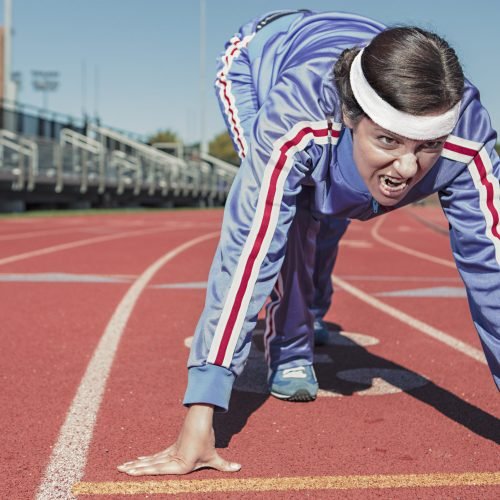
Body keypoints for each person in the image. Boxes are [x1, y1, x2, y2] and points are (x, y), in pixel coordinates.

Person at [118, 9, 500, 475]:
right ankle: (291, 345)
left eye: (426, 147)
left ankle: (312, 305)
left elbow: (493, 270)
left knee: (338, 205)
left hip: (351, 70)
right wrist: (204, 406)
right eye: (388, 141)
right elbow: (250, 247)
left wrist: (403, 149)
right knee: (294, 210)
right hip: (259, 63)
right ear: (350, 116)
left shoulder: (466, 136)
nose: (406, 167)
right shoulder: (294, 119)